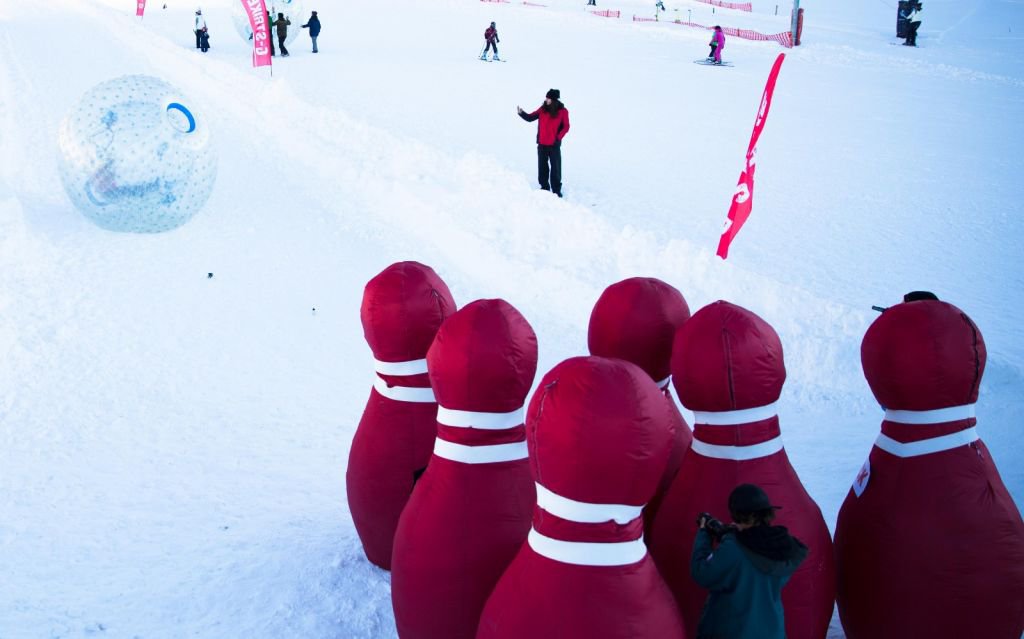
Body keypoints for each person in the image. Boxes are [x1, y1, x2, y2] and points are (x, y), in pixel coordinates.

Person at [691, 484, 808, 639]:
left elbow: (702, 572)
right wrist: (732, 535)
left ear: (737, 515)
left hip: (735, 631)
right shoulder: (784, 545)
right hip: (772, 631)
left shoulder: (734, 549)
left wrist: (704, 533)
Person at [517, 89, 570, 198]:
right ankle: (544, 187)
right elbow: (531, 117)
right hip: (542, 144)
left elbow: (566, 126)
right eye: (546, 98)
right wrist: (522, 113)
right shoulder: (543, 109)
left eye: (548, 98)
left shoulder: (563, 111)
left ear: (554, 99)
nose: (546, 100)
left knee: (555, 168)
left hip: (554, 145)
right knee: (542, 167)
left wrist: (558, 138)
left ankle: (556, 190)